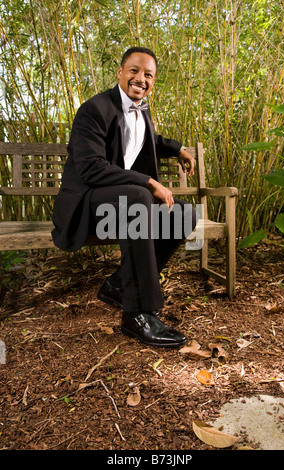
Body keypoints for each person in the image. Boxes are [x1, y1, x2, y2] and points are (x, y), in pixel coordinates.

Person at [52, 47, 197, 348]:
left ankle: (119, 285)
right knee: (137, 197)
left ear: (153, 81)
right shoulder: (94, 109)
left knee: (182, 212)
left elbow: (145, 138)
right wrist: (148, 181)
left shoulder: (140, 110)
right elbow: (91, 168)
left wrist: (176, 147)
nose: (140, 78)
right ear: (120, 72)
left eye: (148, 74)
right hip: (85, 204)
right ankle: (137, 313)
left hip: (118, 205)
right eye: (134, 70)